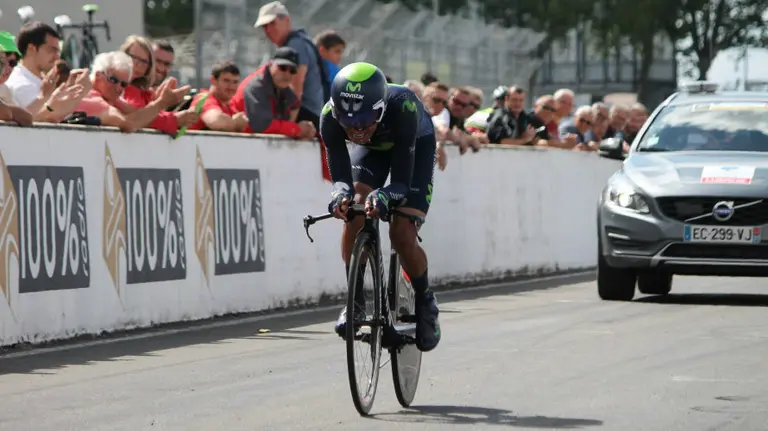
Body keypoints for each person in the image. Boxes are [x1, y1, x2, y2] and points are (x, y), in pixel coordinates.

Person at [319, 62, 441, 353]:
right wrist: (340, 196)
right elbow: (340, 179)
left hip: (412, 146)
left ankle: (426, 300)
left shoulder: (403, 109)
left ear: (381, 109)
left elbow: (400, 182)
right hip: (374, 154)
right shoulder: (328, 117)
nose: (358, 130)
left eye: (366, 121)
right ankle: (356, 301)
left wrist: (386, 196)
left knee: (401, 232)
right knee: (355, 209)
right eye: (349, 124)